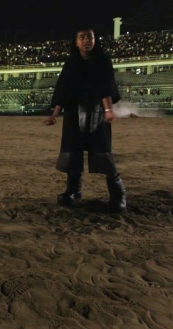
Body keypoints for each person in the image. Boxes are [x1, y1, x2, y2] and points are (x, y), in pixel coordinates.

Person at [43, 27, 127, 213]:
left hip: (98, 112)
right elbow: (62, 91)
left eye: (89, 37)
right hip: (73, 113)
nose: (86, 40)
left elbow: (106, 87)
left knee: (102, 153)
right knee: (73, 153)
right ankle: (73, 191)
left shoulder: (103, 61)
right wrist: (54, 115)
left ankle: (118, 195)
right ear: (76, 42)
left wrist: (108, 111)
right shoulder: (71, 63)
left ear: (95, 40)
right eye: (82, 37)